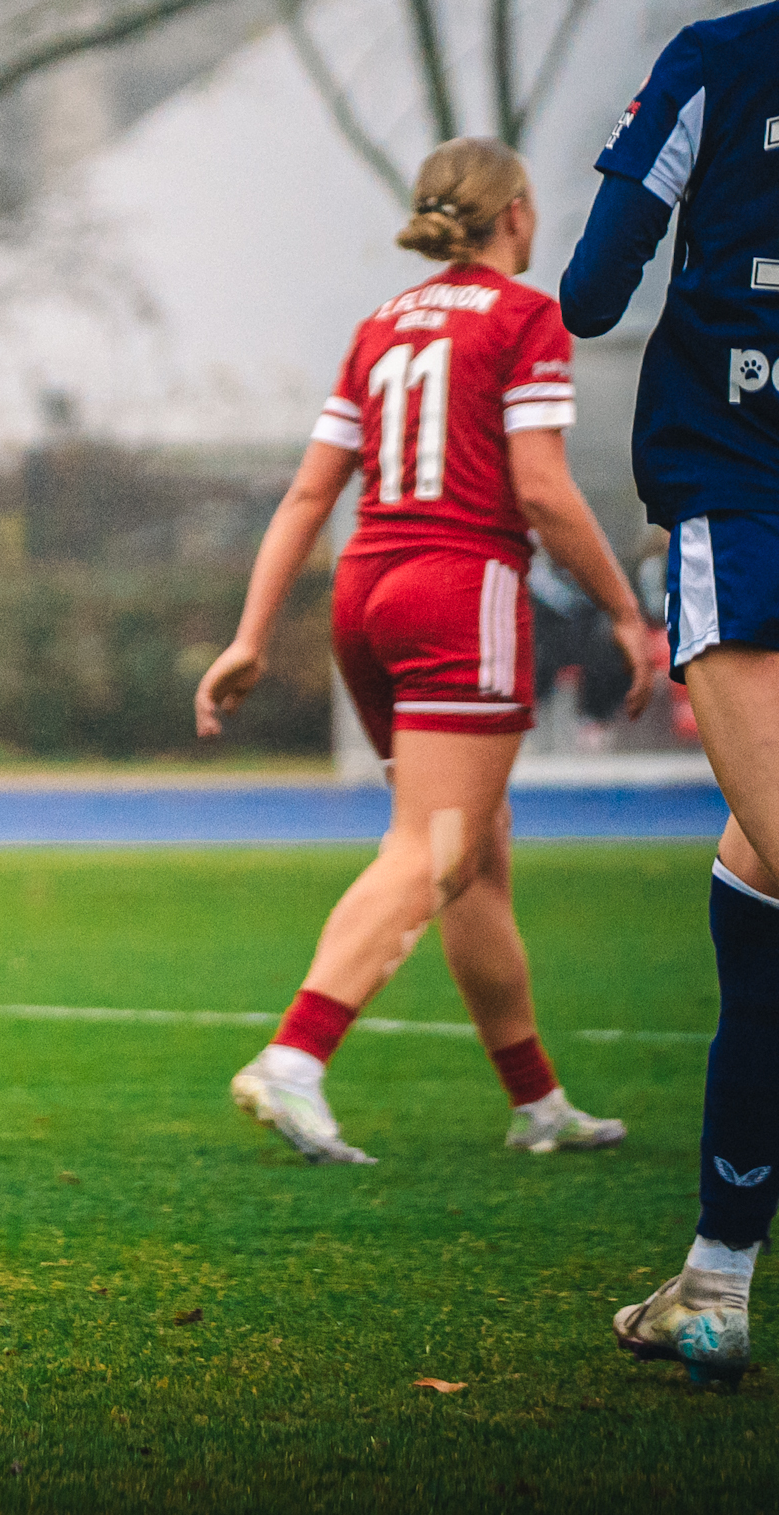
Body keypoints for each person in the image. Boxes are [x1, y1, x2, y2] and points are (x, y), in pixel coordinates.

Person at [196, 136, 661, 1168]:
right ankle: (294, 1058)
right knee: (436, 849)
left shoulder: (380, 324)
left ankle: (537, 1101)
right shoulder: (525, 316)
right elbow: (540, 489)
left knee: (475, 853)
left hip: (367, 592)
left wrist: (249, 633)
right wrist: (627, 609)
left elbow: (312, 493)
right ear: (518, 213)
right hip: (461, 592)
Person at [561, 0, 779, 1383]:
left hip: (743, 502)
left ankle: (716, 1284)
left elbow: (587, 297)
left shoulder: (716, 60)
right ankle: (714, 1280)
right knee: (753, 889)